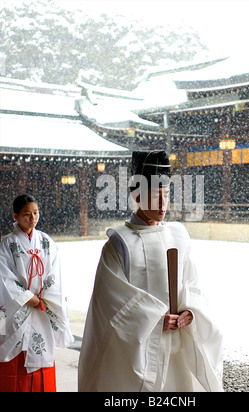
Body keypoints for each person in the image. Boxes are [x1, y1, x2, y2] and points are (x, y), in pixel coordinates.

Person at [78, 151, 223, 392]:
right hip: (139, 348)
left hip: (178, 343)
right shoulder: (120, 244)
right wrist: (154, 320)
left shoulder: (178, 235)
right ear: (136, 196)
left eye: (166, 195)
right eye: (155, 196)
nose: (162, 204)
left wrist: (191, 311)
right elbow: (110, 303)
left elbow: (191, 282)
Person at [0, 194, 74, 392]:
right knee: (16, 361)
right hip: (19, 308)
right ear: (15, 216)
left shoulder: (46, 241)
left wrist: (46, 298)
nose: (32, 218)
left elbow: (54, 273)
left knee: (42, 355)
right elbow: (4, 277)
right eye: (26, 214)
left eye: (35, 213)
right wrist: (28, 298)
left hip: (43, 305)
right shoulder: (8, 244)